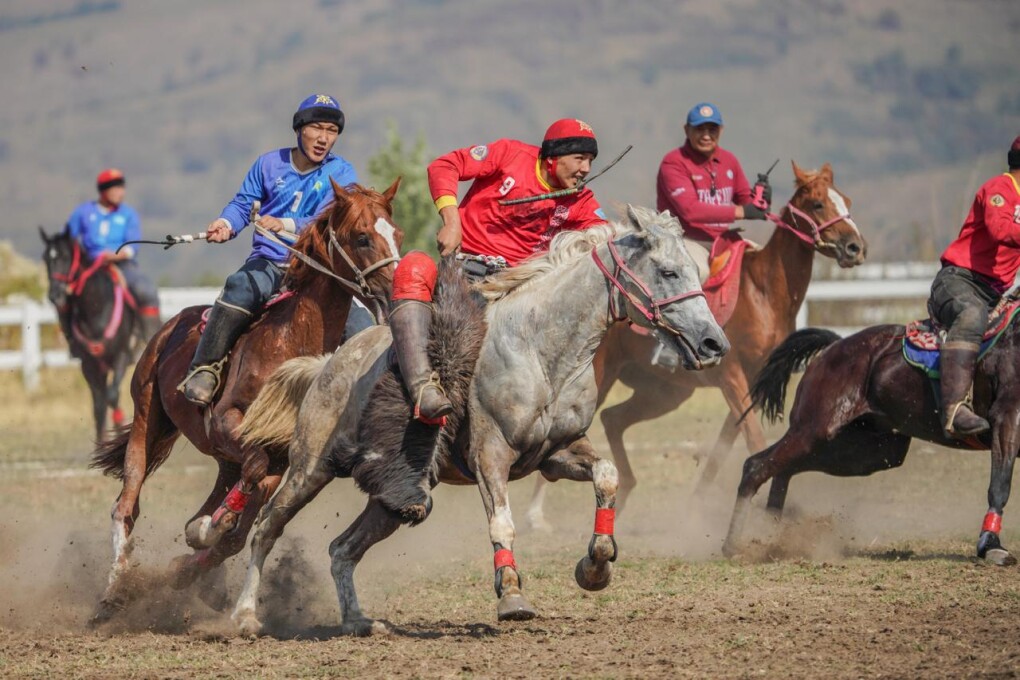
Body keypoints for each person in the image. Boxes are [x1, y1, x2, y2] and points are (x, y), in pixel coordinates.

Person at [391, 118, 607, 423]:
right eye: (579, 158)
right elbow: (443, 166)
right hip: (469, 271)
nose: (586, 169)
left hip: (525, 288)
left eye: (590, 161)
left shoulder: (581, 199)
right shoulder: (509, 154)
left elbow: (606, 236)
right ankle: (424, 392)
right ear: (552, 158)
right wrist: (452, 222)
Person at [179, 94, 359, 407]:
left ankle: (375, 393)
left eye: (332, 130)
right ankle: (205, 367)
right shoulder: (268, 164)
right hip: (270, 263)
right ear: (299, 129)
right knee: (238, 287)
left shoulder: (342, 173)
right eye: (317, 127)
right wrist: (226, 223)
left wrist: (286, 224)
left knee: (363, 326)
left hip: (319, 273)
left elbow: (335, 220)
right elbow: (242, 204)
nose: (324, 137)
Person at [651, 101, 771, 368]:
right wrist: (743, 211)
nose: (706, 134)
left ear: (721, 130)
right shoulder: (673, 162)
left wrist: (759, 199)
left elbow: (744, 199)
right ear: (687, 130)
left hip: (722, 240)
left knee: (764, 266)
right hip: (683, 239)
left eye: (712, 129)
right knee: (696, 274)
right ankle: (670, 343)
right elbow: (691, 211)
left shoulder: (729, 160)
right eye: (699, 128)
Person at [927, 135, 1020, 438]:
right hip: (958, 282)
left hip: (994, 294)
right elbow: (998, 229)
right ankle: (954, 410)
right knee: (971, 315)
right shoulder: (999, 189)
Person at [64, 168, 162, 344]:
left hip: (123, 265)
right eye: (115, 188)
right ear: (103, 191)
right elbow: (67, 240)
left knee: (146, 291)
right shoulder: (83, 213)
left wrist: (117, 256)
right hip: (90, 266)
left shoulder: (128, 214)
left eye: (121, 187)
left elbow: (134, 244)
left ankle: (152, 342)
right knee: (63, 294)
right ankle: (71, 338)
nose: (120, 192)